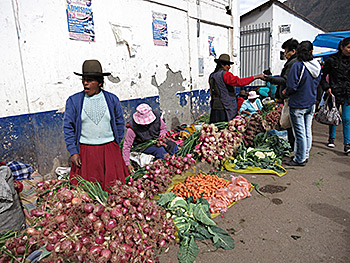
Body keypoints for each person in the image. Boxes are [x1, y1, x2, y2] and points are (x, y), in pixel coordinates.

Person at [63, 59, 128, 191]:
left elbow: (119, 123)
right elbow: (68, 127)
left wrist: (116, 144)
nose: (85, 83)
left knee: (113, 190)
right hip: (86, 152)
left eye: (90, 80)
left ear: (99, 82)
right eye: (84, 80)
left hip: (109, 150)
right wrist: (73, 152)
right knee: (88, 193)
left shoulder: (111, 99)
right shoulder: (74, 101)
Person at [283, 41, 321, 166]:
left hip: (298, 104)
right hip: (311, 103)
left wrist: (286, 91)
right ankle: (305, 155)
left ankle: (299, 159)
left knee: (299, 133)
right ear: (311, 52)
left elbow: (292, 86)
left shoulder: (298, 66)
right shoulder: (316, 65)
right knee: (307, 131)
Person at [122, 103, 178, 174]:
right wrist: (127, 163)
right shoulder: (132, 127)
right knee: (160, 150)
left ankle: (178, 163)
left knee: (172, 145)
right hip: (143, 145)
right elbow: (127, 146)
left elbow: (163, 128)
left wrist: (161, 137)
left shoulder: (157, 118)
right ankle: (167, 170)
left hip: (156, 140)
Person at [264, 38, 299, 149]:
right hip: (293, 97)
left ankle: (293, 147)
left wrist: (268, 78)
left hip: (291, 97)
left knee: (289, 124)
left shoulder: (293, 63)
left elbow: (285, 80)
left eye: (286, 52)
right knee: (291, 124)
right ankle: (294, 146)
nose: (285, 55)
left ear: (293, 51)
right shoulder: (295, 62)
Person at [209, 54, 264, 123]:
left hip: (215, 106)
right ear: (222, 65)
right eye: (228, 65)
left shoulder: (212, 75)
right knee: (225, 127)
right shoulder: (226, 75)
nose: (229, 67)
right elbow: (239, 82)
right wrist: (256, 77)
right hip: (225, 108)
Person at [320, 37, 350, 154]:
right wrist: (327, 87)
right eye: (348, 47)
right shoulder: (331, 61)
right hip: (333, 93)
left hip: (347, 93)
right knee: (333, 117)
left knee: (347, 119)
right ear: (342, 47)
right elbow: (323, 77)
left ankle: (347, 144)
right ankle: (331, 138)